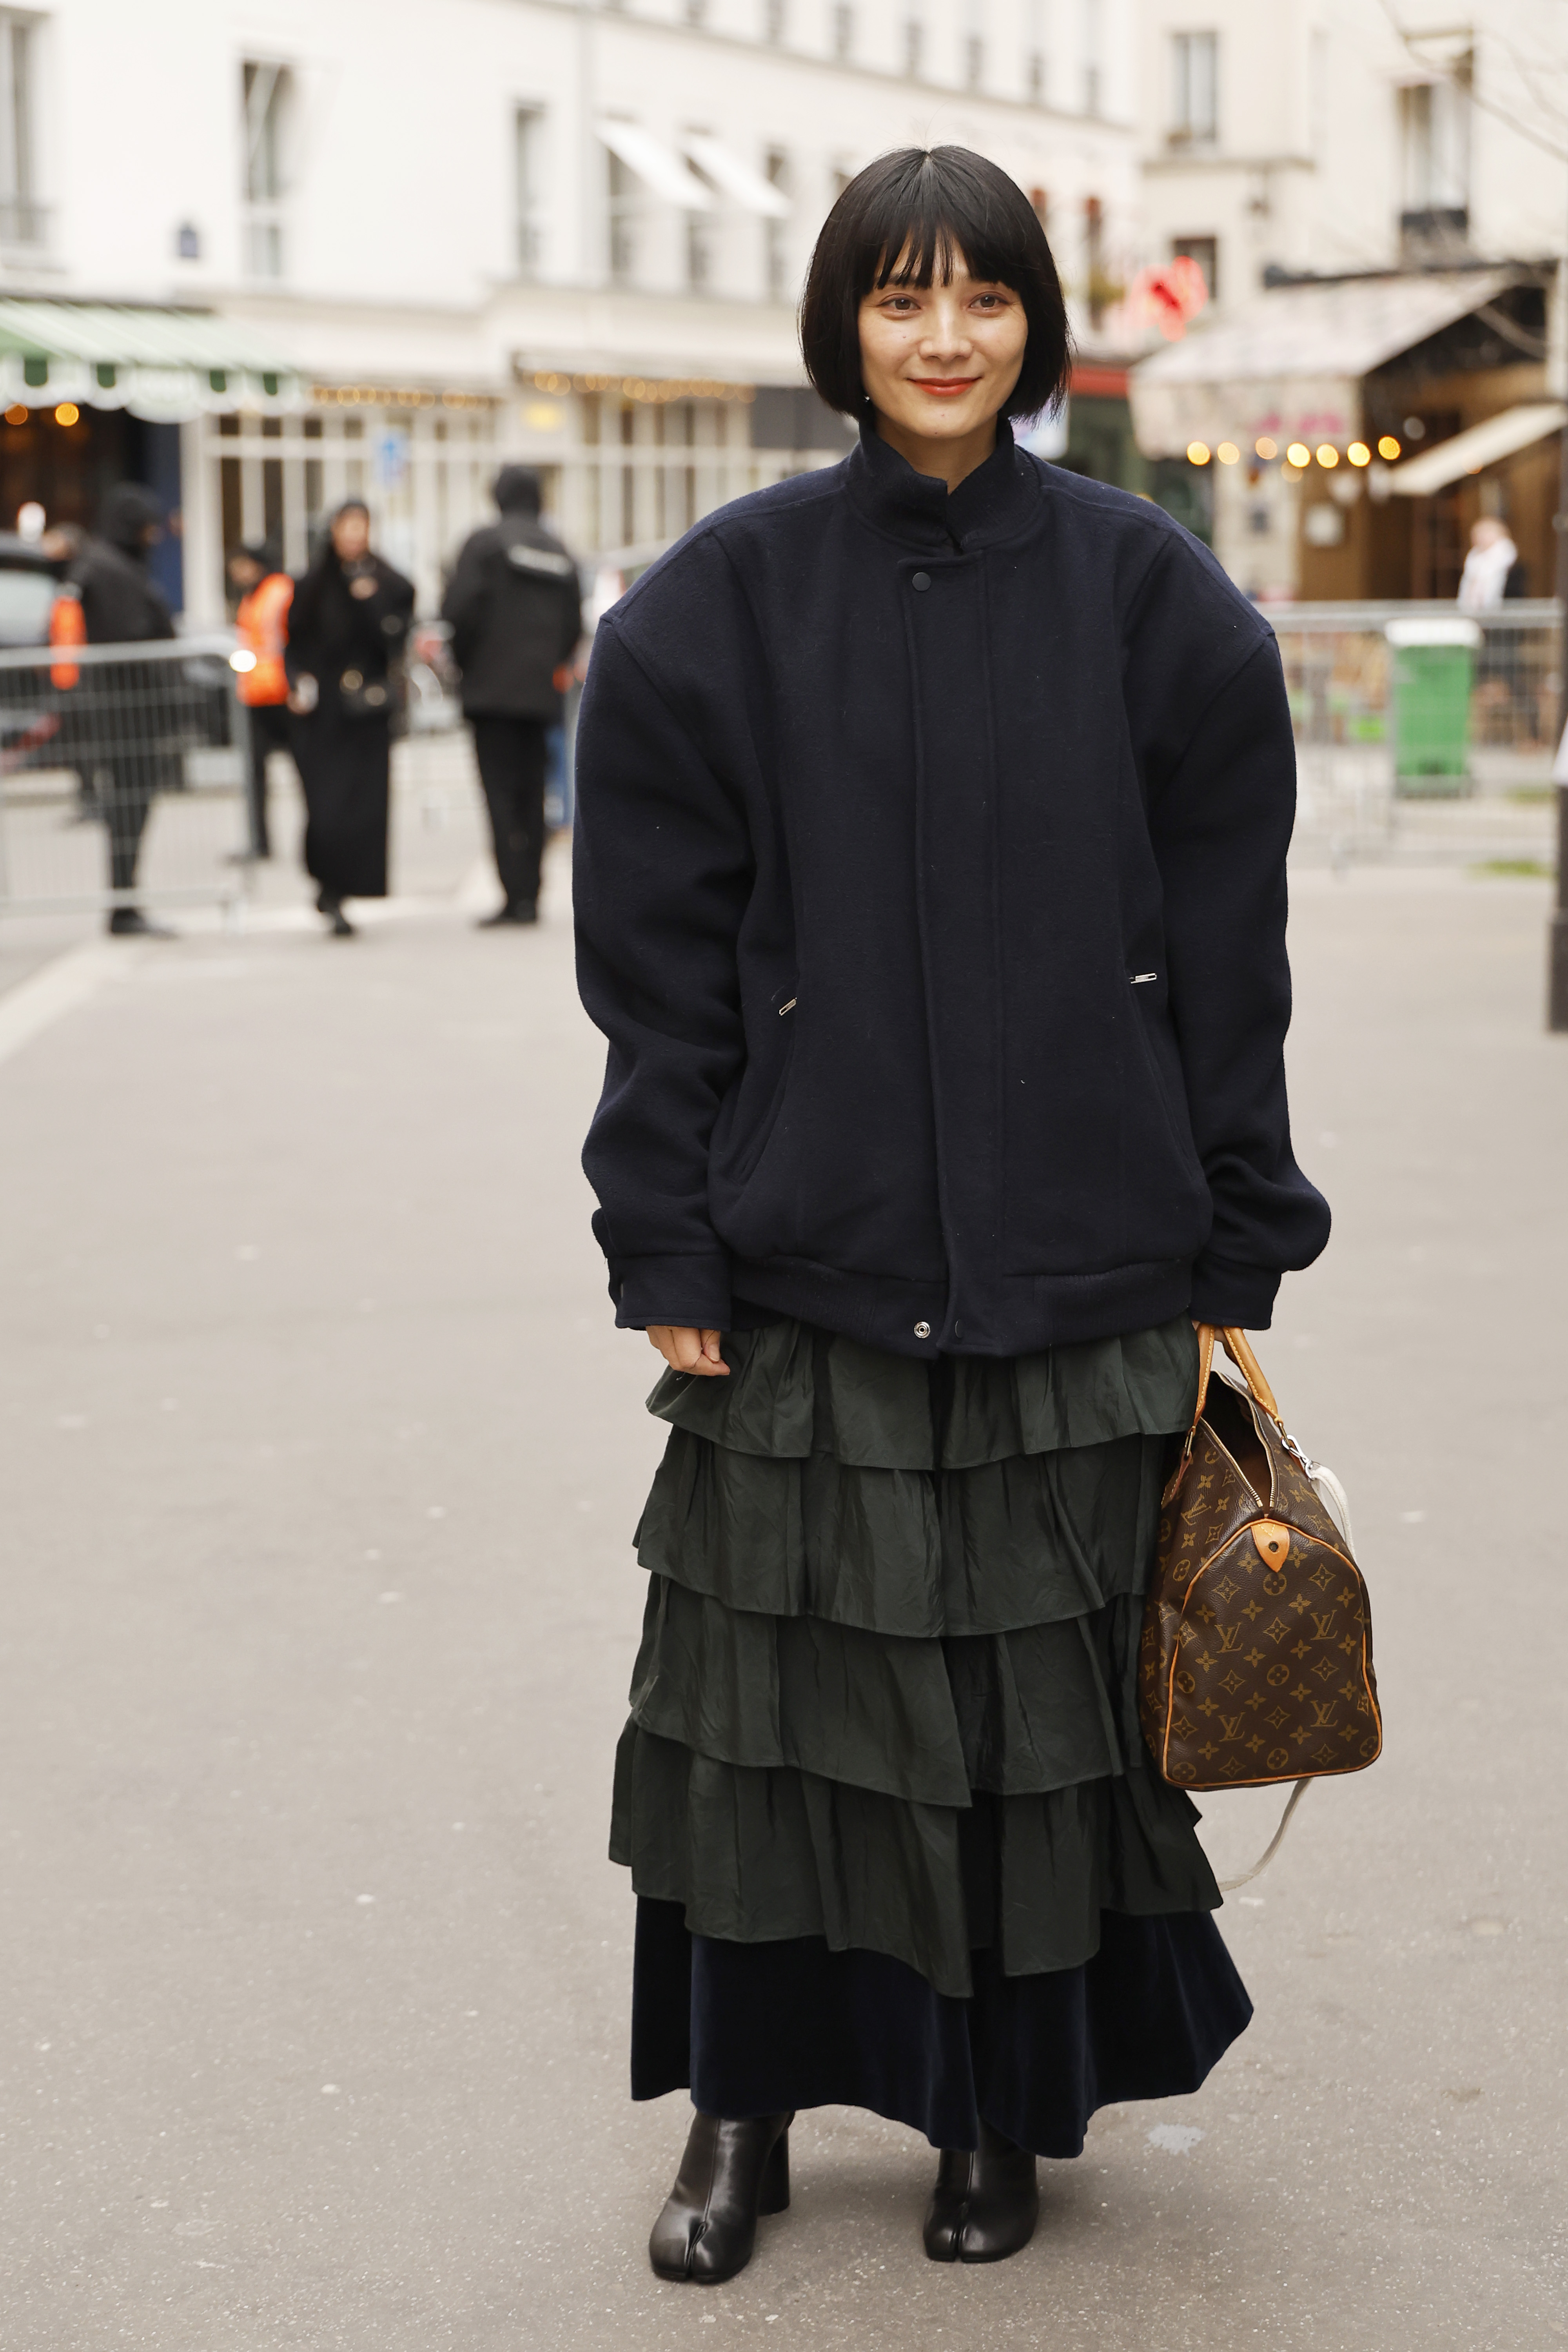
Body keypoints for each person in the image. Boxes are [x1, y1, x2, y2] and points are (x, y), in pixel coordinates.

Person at [573, 148, 1331, 2285]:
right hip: (799, 1260)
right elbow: (653, 961)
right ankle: (741, 2118)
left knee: (1026, 1729)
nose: (941, 336)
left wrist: (1233, 1238)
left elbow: (1228, 943)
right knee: (766, 1719)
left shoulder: (1150, 595)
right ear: (843, 323)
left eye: (982, 296)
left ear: (1032, 324)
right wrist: (668, 1239)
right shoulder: (717, 605)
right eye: (899, 297)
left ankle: (992, 2112)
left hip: (1085, 1251)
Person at [440, 465, 581, 926]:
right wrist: (546, 666)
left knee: (500, 796)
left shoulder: (483, 545)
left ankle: (513, 894)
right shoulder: (560, 552)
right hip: (540, 694)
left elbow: (457, 611)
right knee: (534, 793)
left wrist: (468, 666)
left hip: (490, 693)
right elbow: (571, 625)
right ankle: (532, 895)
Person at [284, 501, 413, 936]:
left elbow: (394, 640)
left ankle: (343, 892)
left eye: (362, 526)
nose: (354, 535)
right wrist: (297, 681)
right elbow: (294, 642)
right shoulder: (313, 584)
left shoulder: (389, 582)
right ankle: (326, 884)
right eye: (347, 526)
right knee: (325, 808)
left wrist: (371, 600)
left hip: (367, 712)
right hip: (323, 714)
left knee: (362, 810)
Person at [70, 485, 177, 937]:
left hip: (126, 709)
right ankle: (123, 905)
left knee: (131, 808)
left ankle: (125, 901)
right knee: (130, 808)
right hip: (127, 712)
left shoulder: (108, 564)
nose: (154, 538)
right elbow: (133, 634)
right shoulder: (110, 568)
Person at [229, 541, 295, 860]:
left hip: (285, 693)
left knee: (306, 769)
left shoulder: (280, 591)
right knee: (254, 772)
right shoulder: (250, 597)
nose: (236, 572)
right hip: (257, 694)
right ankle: (260, 842)